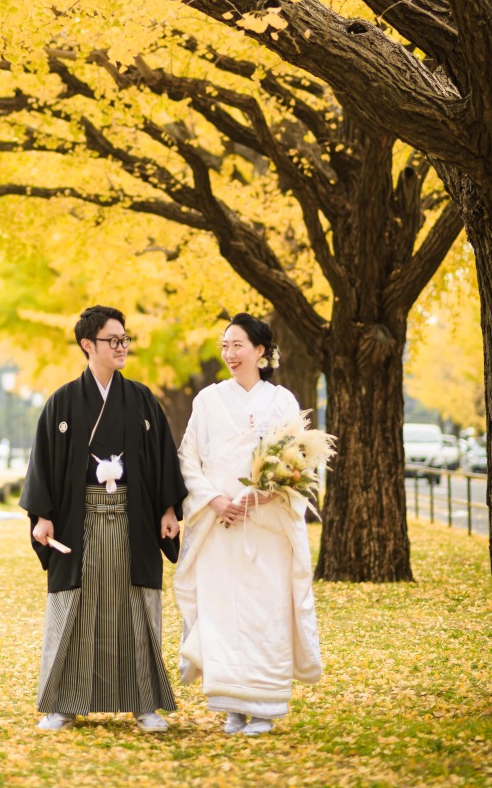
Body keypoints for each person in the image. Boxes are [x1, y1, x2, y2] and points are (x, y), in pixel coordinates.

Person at [20, 304, 187, 734]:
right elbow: (44, 463)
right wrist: (42, 516)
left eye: (125, 339)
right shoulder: (62, 401)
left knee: (136, 609)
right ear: (87, 345)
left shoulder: (142, 399)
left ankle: (144, 703)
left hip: (134, 523)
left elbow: (162, 458)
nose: (122, 347)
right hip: (80, 523)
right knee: (73, 610)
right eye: (113, 340)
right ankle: (62, 704)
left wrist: (168, 509)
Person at [174, 313, 322, 737]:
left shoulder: (283, 401)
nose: (229, 354)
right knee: (222, 612)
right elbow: (188, 458)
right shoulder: (208, 400)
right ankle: (231, 706)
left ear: (260, 350)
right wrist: (215, 499)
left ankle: (265, 706)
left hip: (266, 524)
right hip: (220, 524)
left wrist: (267, 492)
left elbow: (299, 460)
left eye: (237, 345)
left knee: (264, 612)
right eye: (225, 345)